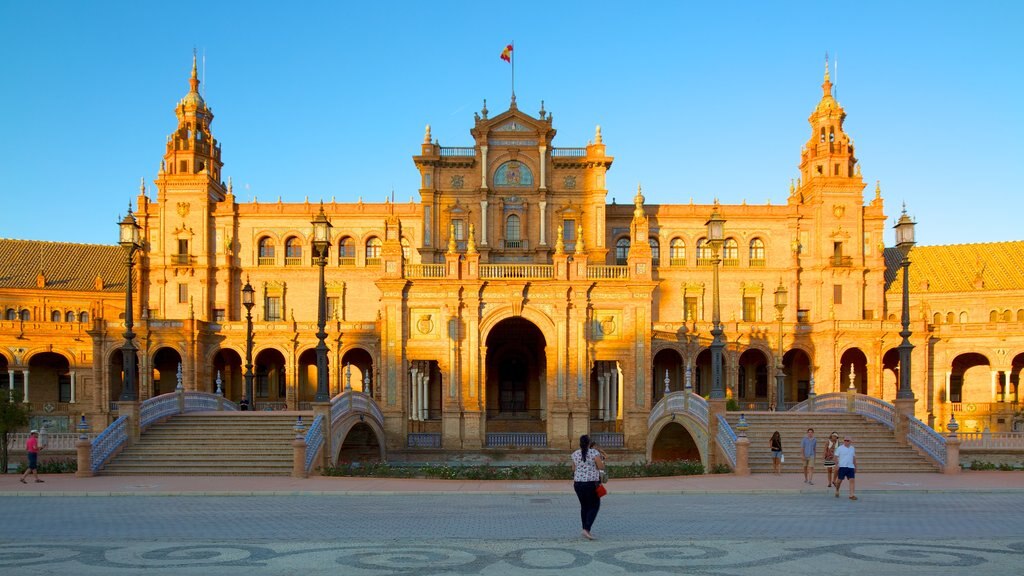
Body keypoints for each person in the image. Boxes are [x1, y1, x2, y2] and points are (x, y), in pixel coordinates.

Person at [570, 434, 606, 540]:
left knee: (584, 506)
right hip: (591, 483)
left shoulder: (575, 454)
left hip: (578, 484)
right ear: (589, 443)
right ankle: (586, 529)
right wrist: (601, 463)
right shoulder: (594, 453)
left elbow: (573, 468)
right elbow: (600, 466)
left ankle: (585, 529)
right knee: (594, 505)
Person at [834, 436, 857, 500]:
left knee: (852, 480)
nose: (846, 441)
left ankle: (851, 495)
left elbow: (854, 457)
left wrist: (855, 466)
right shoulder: (840, 448)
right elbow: (835, 457)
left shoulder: (852, 448)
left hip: (850, 466)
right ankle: (837, 490)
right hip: (842, 466)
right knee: (839, 481)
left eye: (847, 440)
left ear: (850, 441)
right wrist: (836, 465)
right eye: (845, 440)